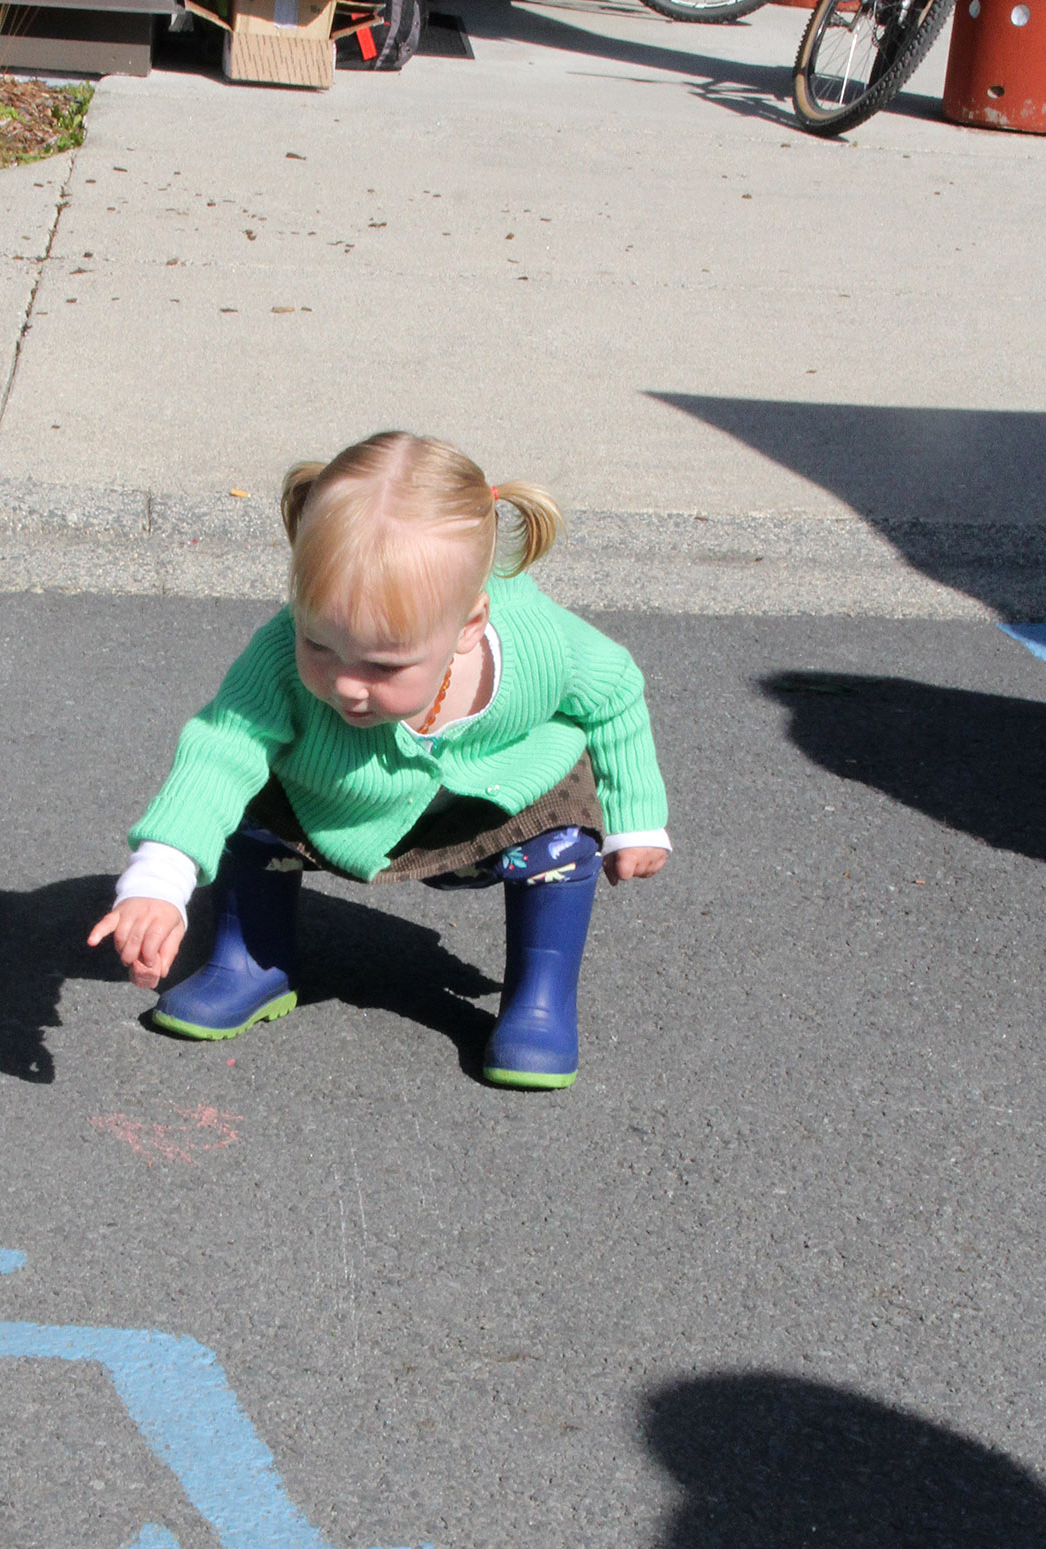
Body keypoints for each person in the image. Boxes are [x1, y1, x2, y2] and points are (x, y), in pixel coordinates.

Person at [89, 432, 670, 1091]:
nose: (345, 684)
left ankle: (539, 998)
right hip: (333, 800)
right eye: (319, 644)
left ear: (468, 626)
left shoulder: (539, 644)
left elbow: (615, 692)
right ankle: (250, 957)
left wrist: (637, 818)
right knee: (247, 798)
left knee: (564, 829)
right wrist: (160, 877)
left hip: (496, 807)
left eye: (383, 665)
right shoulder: (279, 656)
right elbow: (219, 752)